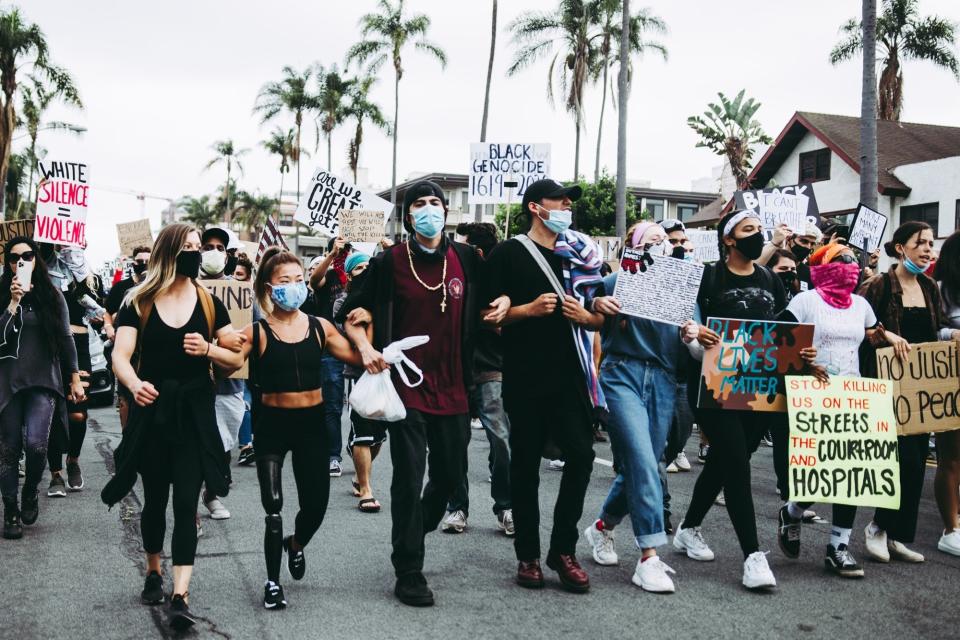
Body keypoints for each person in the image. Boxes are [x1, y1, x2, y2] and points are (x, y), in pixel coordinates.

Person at [338, 180, 507, 607]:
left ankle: (415, 529)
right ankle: (408, 567)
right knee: (409, 476)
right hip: (406, 386)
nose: (429, 210)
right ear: (408, 215)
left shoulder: (468, 258)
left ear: (446, 213)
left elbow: (493, 300)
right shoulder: (390, 261)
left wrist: (504, 300)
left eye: (436, 203)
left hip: (453, 386)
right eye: (420, 204)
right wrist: (365, 348)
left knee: (451, 475)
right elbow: (351, 314)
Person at [102, 223, 244, 631]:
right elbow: (121, 355)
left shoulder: (208, 300)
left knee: (186, 502)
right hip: (153, 411)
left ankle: (180, 595)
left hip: (194, 415)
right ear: (169, 251)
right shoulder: (138, 301)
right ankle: (153, 570)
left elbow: (235, 359)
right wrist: (133, 384)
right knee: (156, 500)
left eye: (199, 248)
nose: (197, 254)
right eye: (189, 247)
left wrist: (211, 348)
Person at [675, 209, 816, 591]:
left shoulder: (771, 279)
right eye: (748, 230)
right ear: (729, 239)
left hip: (760, 386)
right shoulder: (707, 277)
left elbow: (783, 331)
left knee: (725, 461)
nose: (758, 236)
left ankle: (688, 529)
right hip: (714, 387)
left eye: (759, 229)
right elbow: (685, 326)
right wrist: (694, 335)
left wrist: (803, 355)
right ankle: (753, 556)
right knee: (736, 461)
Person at [483, 178, 605, 594]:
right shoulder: (508, 253)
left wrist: (589, 316)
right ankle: (528, 555)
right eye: (560, 199)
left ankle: (563, 550)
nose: (568, 205)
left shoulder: (580, 252)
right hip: (525, 374)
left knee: (582, 456)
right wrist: (527, 310)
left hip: (572, 376)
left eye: (570, 201)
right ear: (536, 207)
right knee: (526, 465)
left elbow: (599, 314)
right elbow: (489, 317)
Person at [238, 247, 365, 609]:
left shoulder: (320, 327)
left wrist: (362, 334)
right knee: (273, 505)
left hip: (311, 425)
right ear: (268, 286)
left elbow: (357, 356)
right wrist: (212, 349)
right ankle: (272, 583)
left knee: (316, 506)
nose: (293, 287)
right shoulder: (256, 330)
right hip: (271, 426)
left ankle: (295, 544)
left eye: (298, 280)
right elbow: (231, 358)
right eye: (284, 281)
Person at [774, 242, 907, 578]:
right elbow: (778, 338)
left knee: (851, 472)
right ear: (821, 267)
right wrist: (802, 362)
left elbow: (870, 333)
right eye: (840, 259)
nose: (849, 264)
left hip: (852, 394)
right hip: (813, 393)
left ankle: (838, 547)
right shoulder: (806, 301)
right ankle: (792, 511)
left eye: (852, 259)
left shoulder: (860, 305)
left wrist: (888, 336)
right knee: (820, 472)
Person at [583, 221, 699, 593]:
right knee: (643, 459)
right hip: (622, 374)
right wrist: (596, 303)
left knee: (645, 461)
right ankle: (649, 555)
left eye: (664, 241)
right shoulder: (618, 281)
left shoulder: (682, 288)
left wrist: (692, 337)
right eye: (651, 241)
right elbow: (586, 307)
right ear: (633, 247)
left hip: (663, 379)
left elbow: (695, 345)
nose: (661, 246)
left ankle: (602, 527)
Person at [858, 221, 960, 564]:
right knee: (898, 461)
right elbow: (858, 324)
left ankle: (899, 536)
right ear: (901, 247)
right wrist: (885, 335)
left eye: (931, 244)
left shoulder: (930, 287)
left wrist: (949, 336)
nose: (928, 250)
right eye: (921, 243)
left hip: (919, 390)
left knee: (917, 464)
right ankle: (877, 527)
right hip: (886, 386)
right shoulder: (878, 284)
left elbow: (936, 329)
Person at [0, 237, 83, 540]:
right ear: (7, 263)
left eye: (27, 255)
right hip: (7, 382)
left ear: (36, 260)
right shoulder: (2, 294)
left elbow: (65, 337)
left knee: (37, 445)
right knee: (8, 451)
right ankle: (10, 510)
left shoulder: (52, 295)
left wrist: (73, 376)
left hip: (43, 381)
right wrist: (12, 303)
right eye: (14, 257)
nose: (20, 261)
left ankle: (30, 491)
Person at [442, 222, 514, 536]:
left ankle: (506, 506)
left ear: (478, 251)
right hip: (454, 370)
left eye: (461, 246)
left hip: (490, 368)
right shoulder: (446, 277)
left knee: (501, 441)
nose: (453, 252)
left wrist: (499, 312)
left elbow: (507, 325)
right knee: (454, 444)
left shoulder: (502, 281)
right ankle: (457, 507)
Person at [45, 245, 103, 496]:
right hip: (46, 346)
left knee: (77, 412)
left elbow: (96, 305)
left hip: (77, 346)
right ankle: (55, 473)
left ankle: (74, 460)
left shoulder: (86, 273)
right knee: (48, 412)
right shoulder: (40, 267)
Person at [198, 225, 245, 520]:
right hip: (193, 382)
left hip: (230, 385)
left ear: (227, 255)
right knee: (192, 443)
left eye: (219, 248)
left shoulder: (241, 293)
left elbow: (254, 330)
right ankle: (190, 503)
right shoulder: (185, 286)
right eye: (208, 246)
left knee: (224, 444)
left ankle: (212, 494)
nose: (213, 252)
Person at [333, 251, 384, 512]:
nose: (364, 271)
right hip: (359, 376)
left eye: (368, 266)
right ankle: (366, 488)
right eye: (358, 267)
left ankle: (359, 474)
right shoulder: (343, 304)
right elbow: (357, 345)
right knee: (363, 433)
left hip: (385, 376)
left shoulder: (382, 299)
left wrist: (374, 315)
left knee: (378, 437)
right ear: (349, 274)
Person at [309, 236, 350, 478]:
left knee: (363, 408)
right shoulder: (330, 276)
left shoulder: (362, 274)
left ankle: (360, 445)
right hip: (331, 349)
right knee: (333, 405)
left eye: (347, 249)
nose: (345, 253)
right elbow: (314, 281)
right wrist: (333, 256)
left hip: (359, 345)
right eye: (340, 248)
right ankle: (333, 456)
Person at [933, 230, 960, 557]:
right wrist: (951, 333)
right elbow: (929, 330)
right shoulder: (941, 292)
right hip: (948, 383)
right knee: (951, 456)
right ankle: (950, 528)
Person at [103, 246, 151, 430]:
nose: (144, 264)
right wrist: (109, 326)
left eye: (148, 261)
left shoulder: (161, 288)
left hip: (147, 351)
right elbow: (107, 312)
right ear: (133, 263)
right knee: (125, 399)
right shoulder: (121, 288)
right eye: (140, 261)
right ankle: (127, 439)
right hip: (126, 349)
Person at [760, 221, 823, 290]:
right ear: (789, 239)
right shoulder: (768, 260)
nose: (808, 247)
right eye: (804, 241)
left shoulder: (810, 273)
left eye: (812, 244)